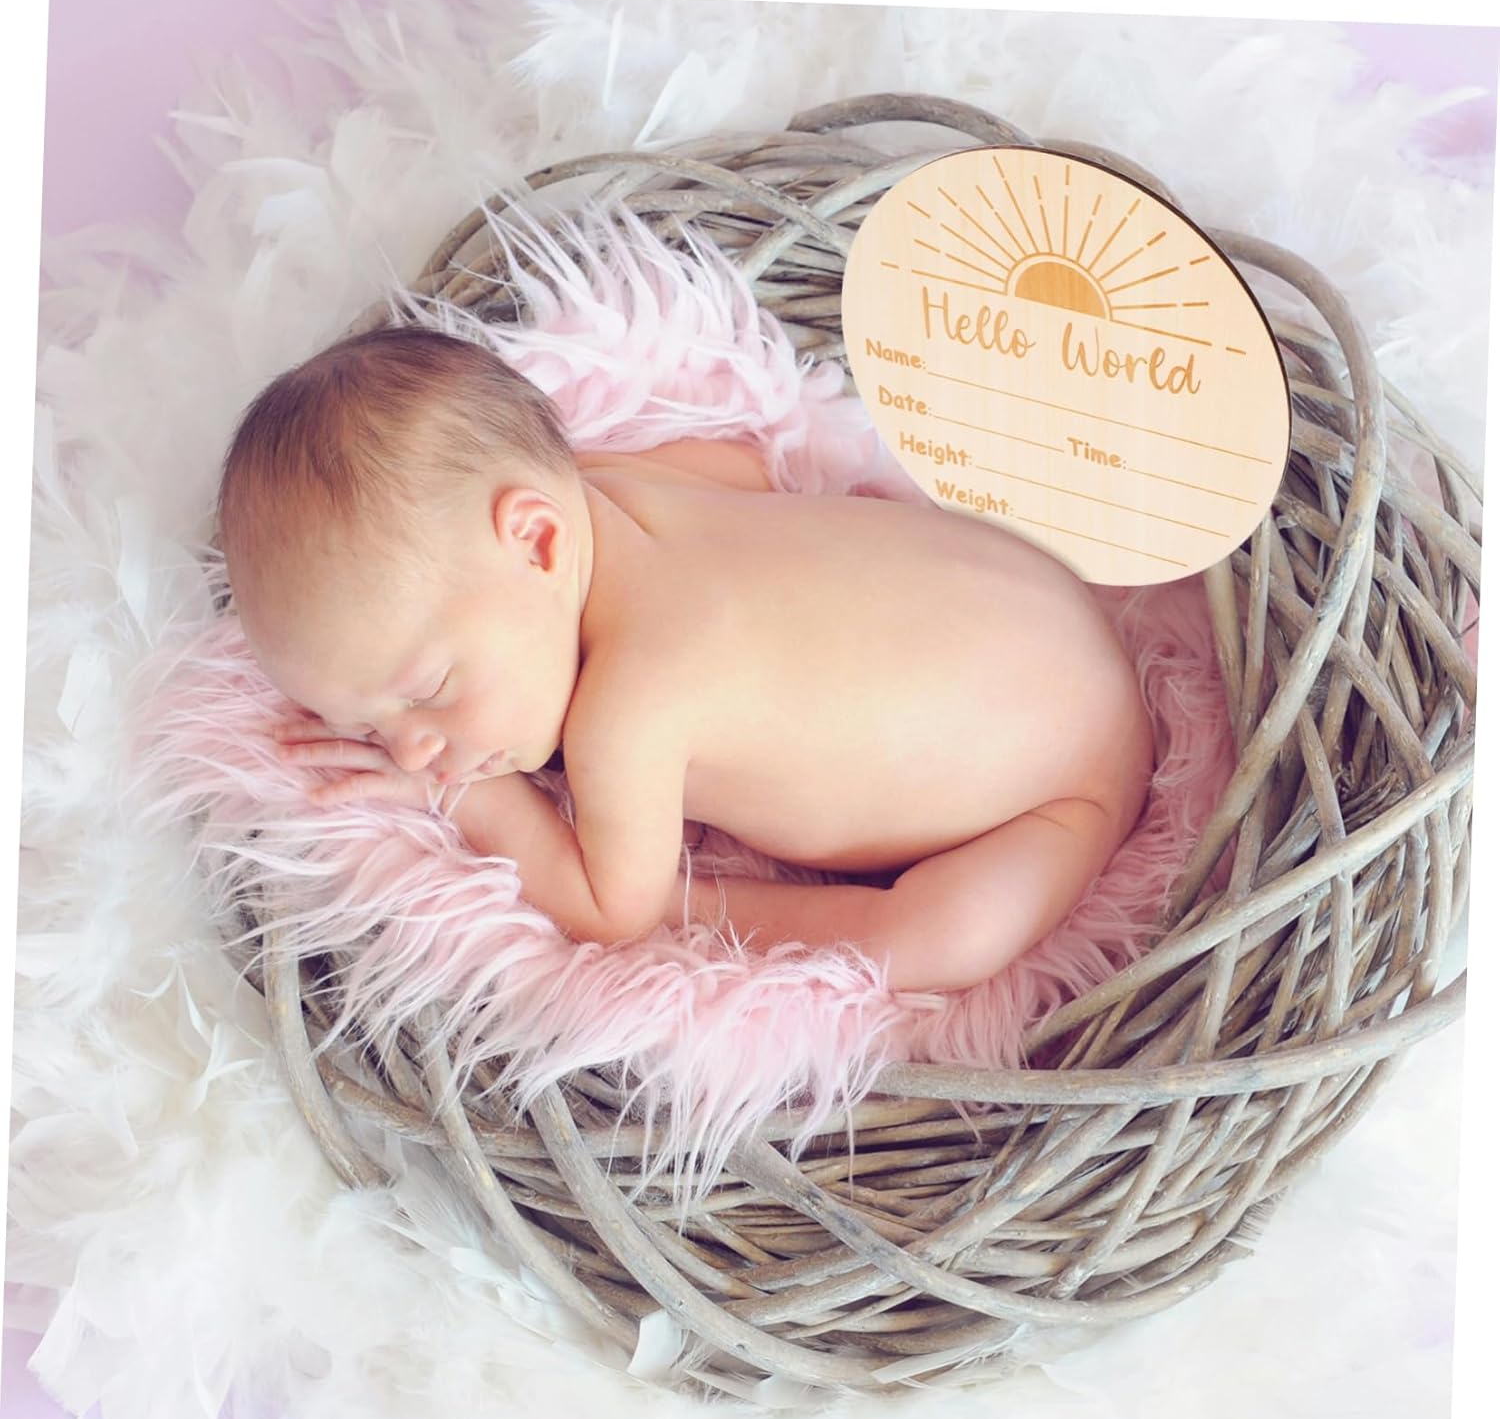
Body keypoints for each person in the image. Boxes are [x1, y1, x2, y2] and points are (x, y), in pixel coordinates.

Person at [219, 325, 1154, 993]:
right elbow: (743, 470)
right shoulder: (611, 487)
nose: (412, 750)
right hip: (1038, 593)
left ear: (538, 541)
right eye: (366, 727)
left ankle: (707, 907)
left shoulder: (629, 710)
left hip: (1064, 790)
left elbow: (610, 909)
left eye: (428, 690)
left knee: (935, 940)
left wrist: (475, 799)